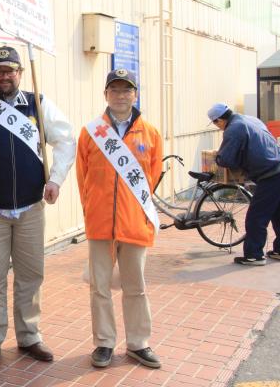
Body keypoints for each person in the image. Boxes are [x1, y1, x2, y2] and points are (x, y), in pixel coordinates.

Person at [0, 45, 76, 365]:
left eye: (10, 70)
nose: (4, 76)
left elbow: (66, 141)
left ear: (20, 74)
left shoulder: (38, 104)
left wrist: (55, 179)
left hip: (30, 205)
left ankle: (29, 335)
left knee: (30, 274)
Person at [76, 69, 163, 369]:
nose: (121, 95)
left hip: (134, 223)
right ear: (106, 95)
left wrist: (136, 211)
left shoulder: (150, 133)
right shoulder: (90, 132)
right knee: (99, 287)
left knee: (135, 286)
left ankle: (139, 343)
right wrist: (92, 210)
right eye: (115, 89)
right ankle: (104, 342)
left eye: (127, 90)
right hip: (100, 223)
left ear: (135, 94)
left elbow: (151, 179)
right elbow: (82, 177)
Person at [207, 102, 280, 265]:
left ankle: (254, 255)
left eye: (216, 124)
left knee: (255, 217)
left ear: (219, 121)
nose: (218, 127)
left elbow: (226, 159)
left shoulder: (233, 129)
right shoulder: (251, 120)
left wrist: (216, 158)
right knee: (279, 214)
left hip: (269, 176)